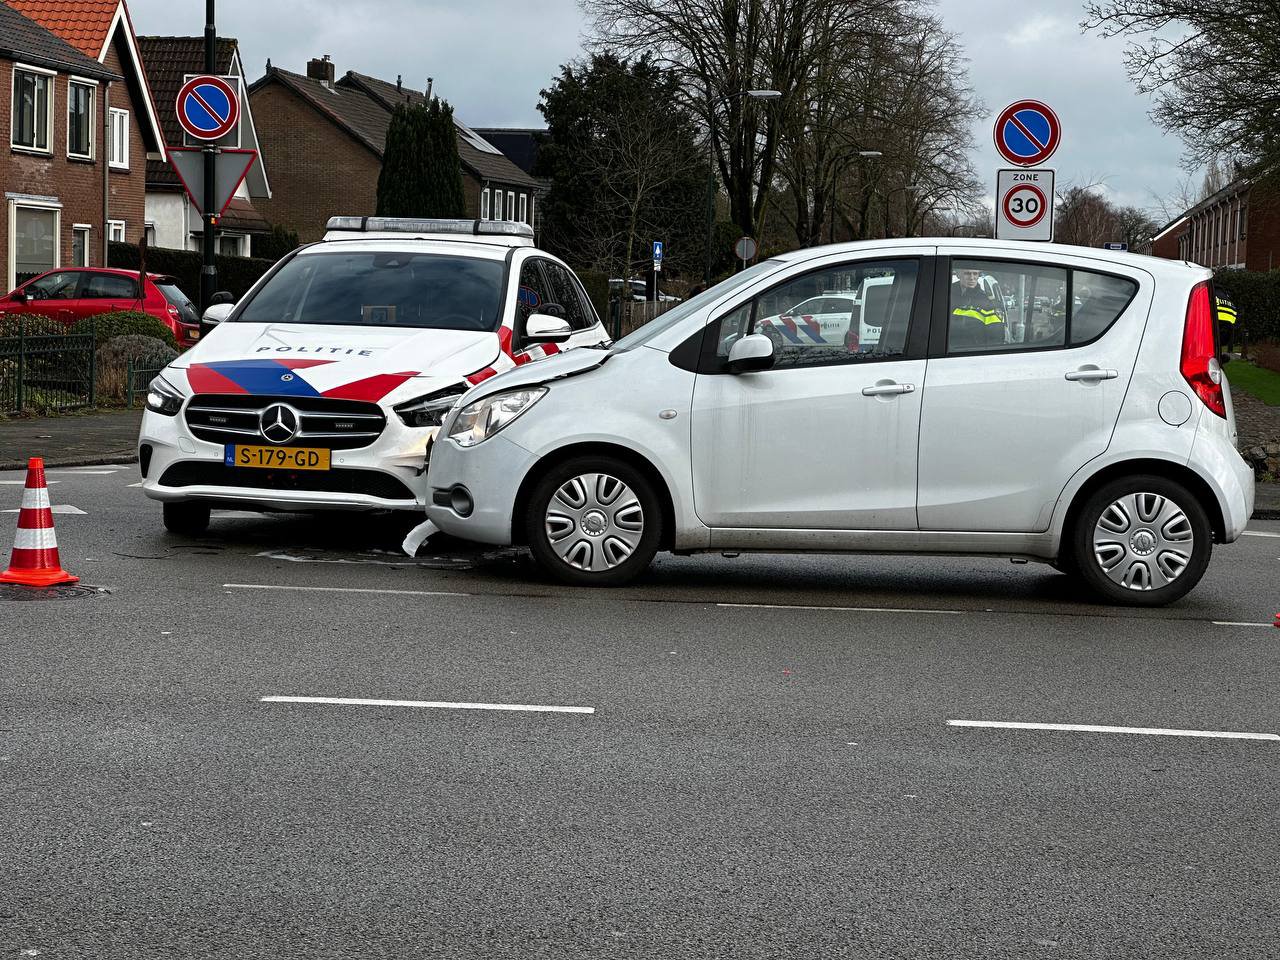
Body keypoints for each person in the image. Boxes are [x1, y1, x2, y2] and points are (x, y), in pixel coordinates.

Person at [949, 266, 1005, 347]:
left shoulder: (988, 303)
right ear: (958, 275)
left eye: (975, 273)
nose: (972, 278)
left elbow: (995, 340)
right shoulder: (946, 293)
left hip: (970, 353)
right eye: (967, 273)